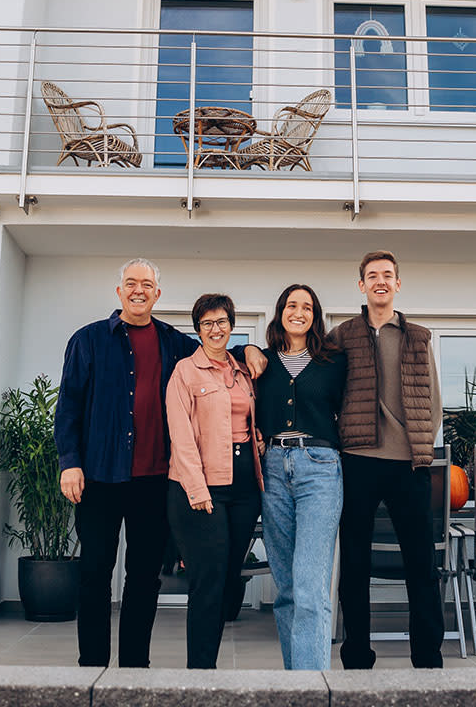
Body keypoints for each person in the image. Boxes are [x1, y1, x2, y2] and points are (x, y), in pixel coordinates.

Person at [54, 259, 264, 668]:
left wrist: (248, 348)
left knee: (144, 578)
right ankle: (92, 667)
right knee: (95, 573)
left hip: (153, 481)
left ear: (157, 294)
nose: (138, 290)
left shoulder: (173, 342)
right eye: (131, 283)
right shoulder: (89, 340)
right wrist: (69, 462)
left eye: (146, 284)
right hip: (99, 475)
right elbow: (68, 408)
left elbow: (216, 352)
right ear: (119, 292)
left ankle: (135, 666)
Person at [332, 249, 444, 670]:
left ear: (398, 284)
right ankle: (357, 655)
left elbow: (433, 400)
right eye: (372, 275)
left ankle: (428, 658)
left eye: (388, 275)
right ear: (361, 285)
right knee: (356, 564)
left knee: (421, 563)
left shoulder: (418, 335)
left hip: (409, 465)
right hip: (357, 460)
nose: (380, 281)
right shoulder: (342, 335)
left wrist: (420, 442)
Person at [165, 292, 264, 669]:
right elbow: (181, 435)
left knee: (226, 580)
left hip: (243, 488)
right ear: (198, 330)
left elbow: (249, 419)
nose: (215, 329)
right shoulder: (184, 373)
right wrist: (196, 488)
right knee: (207, 582)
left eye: (221, 321)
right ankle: (200, 674)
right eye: (207, 323)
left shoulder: (242, 370)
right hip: (201, 487)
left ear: (231, 326)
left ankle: (210, 659)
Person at [255, 283, 347, 670]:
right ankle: (297, 683)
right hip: (273, 467)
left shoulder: (334, 361)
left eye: (307, 306)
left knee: (310, 587)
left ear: (315, 316)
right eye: (291, 304)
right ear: (280, 312)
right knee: (287, 589)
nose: (299, 311)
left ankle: (313, 689)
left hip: (320, 468)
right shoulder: (259, 360)